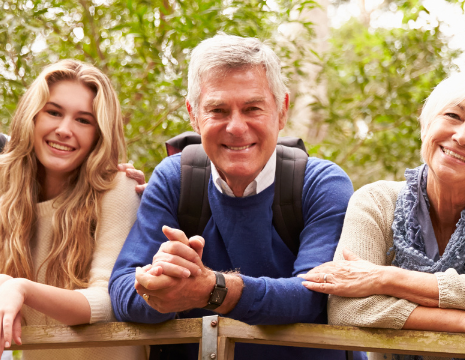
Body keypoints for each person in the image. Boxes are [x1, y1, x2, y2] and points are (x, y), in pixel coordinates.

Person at [108, 34, 356, 360]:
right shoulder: (174, 179)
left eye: (253, 108)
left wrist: (214, 290)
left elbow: (316, 294)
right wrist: (162, 288)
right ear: (193, 115)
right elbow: (123, 289)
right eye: (218, 110)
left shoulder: (322, 184)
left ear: (282, 110)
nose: (236, 127)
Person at [299, 66, 465, 360]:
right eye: (453, 116)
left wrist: (383, 279)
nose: (462, 136)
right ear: (427, 126)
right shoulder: (375, 200)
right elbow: (347, 310)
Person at [0, 60, 144, 360]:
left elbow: (109, 302)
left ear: (99, 134)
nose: (64, 130)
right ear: (31, 118)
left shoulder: (117, 190)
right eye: (53, 112)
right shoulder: (2, 207)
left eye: (83, 120)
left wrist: (20, 290)